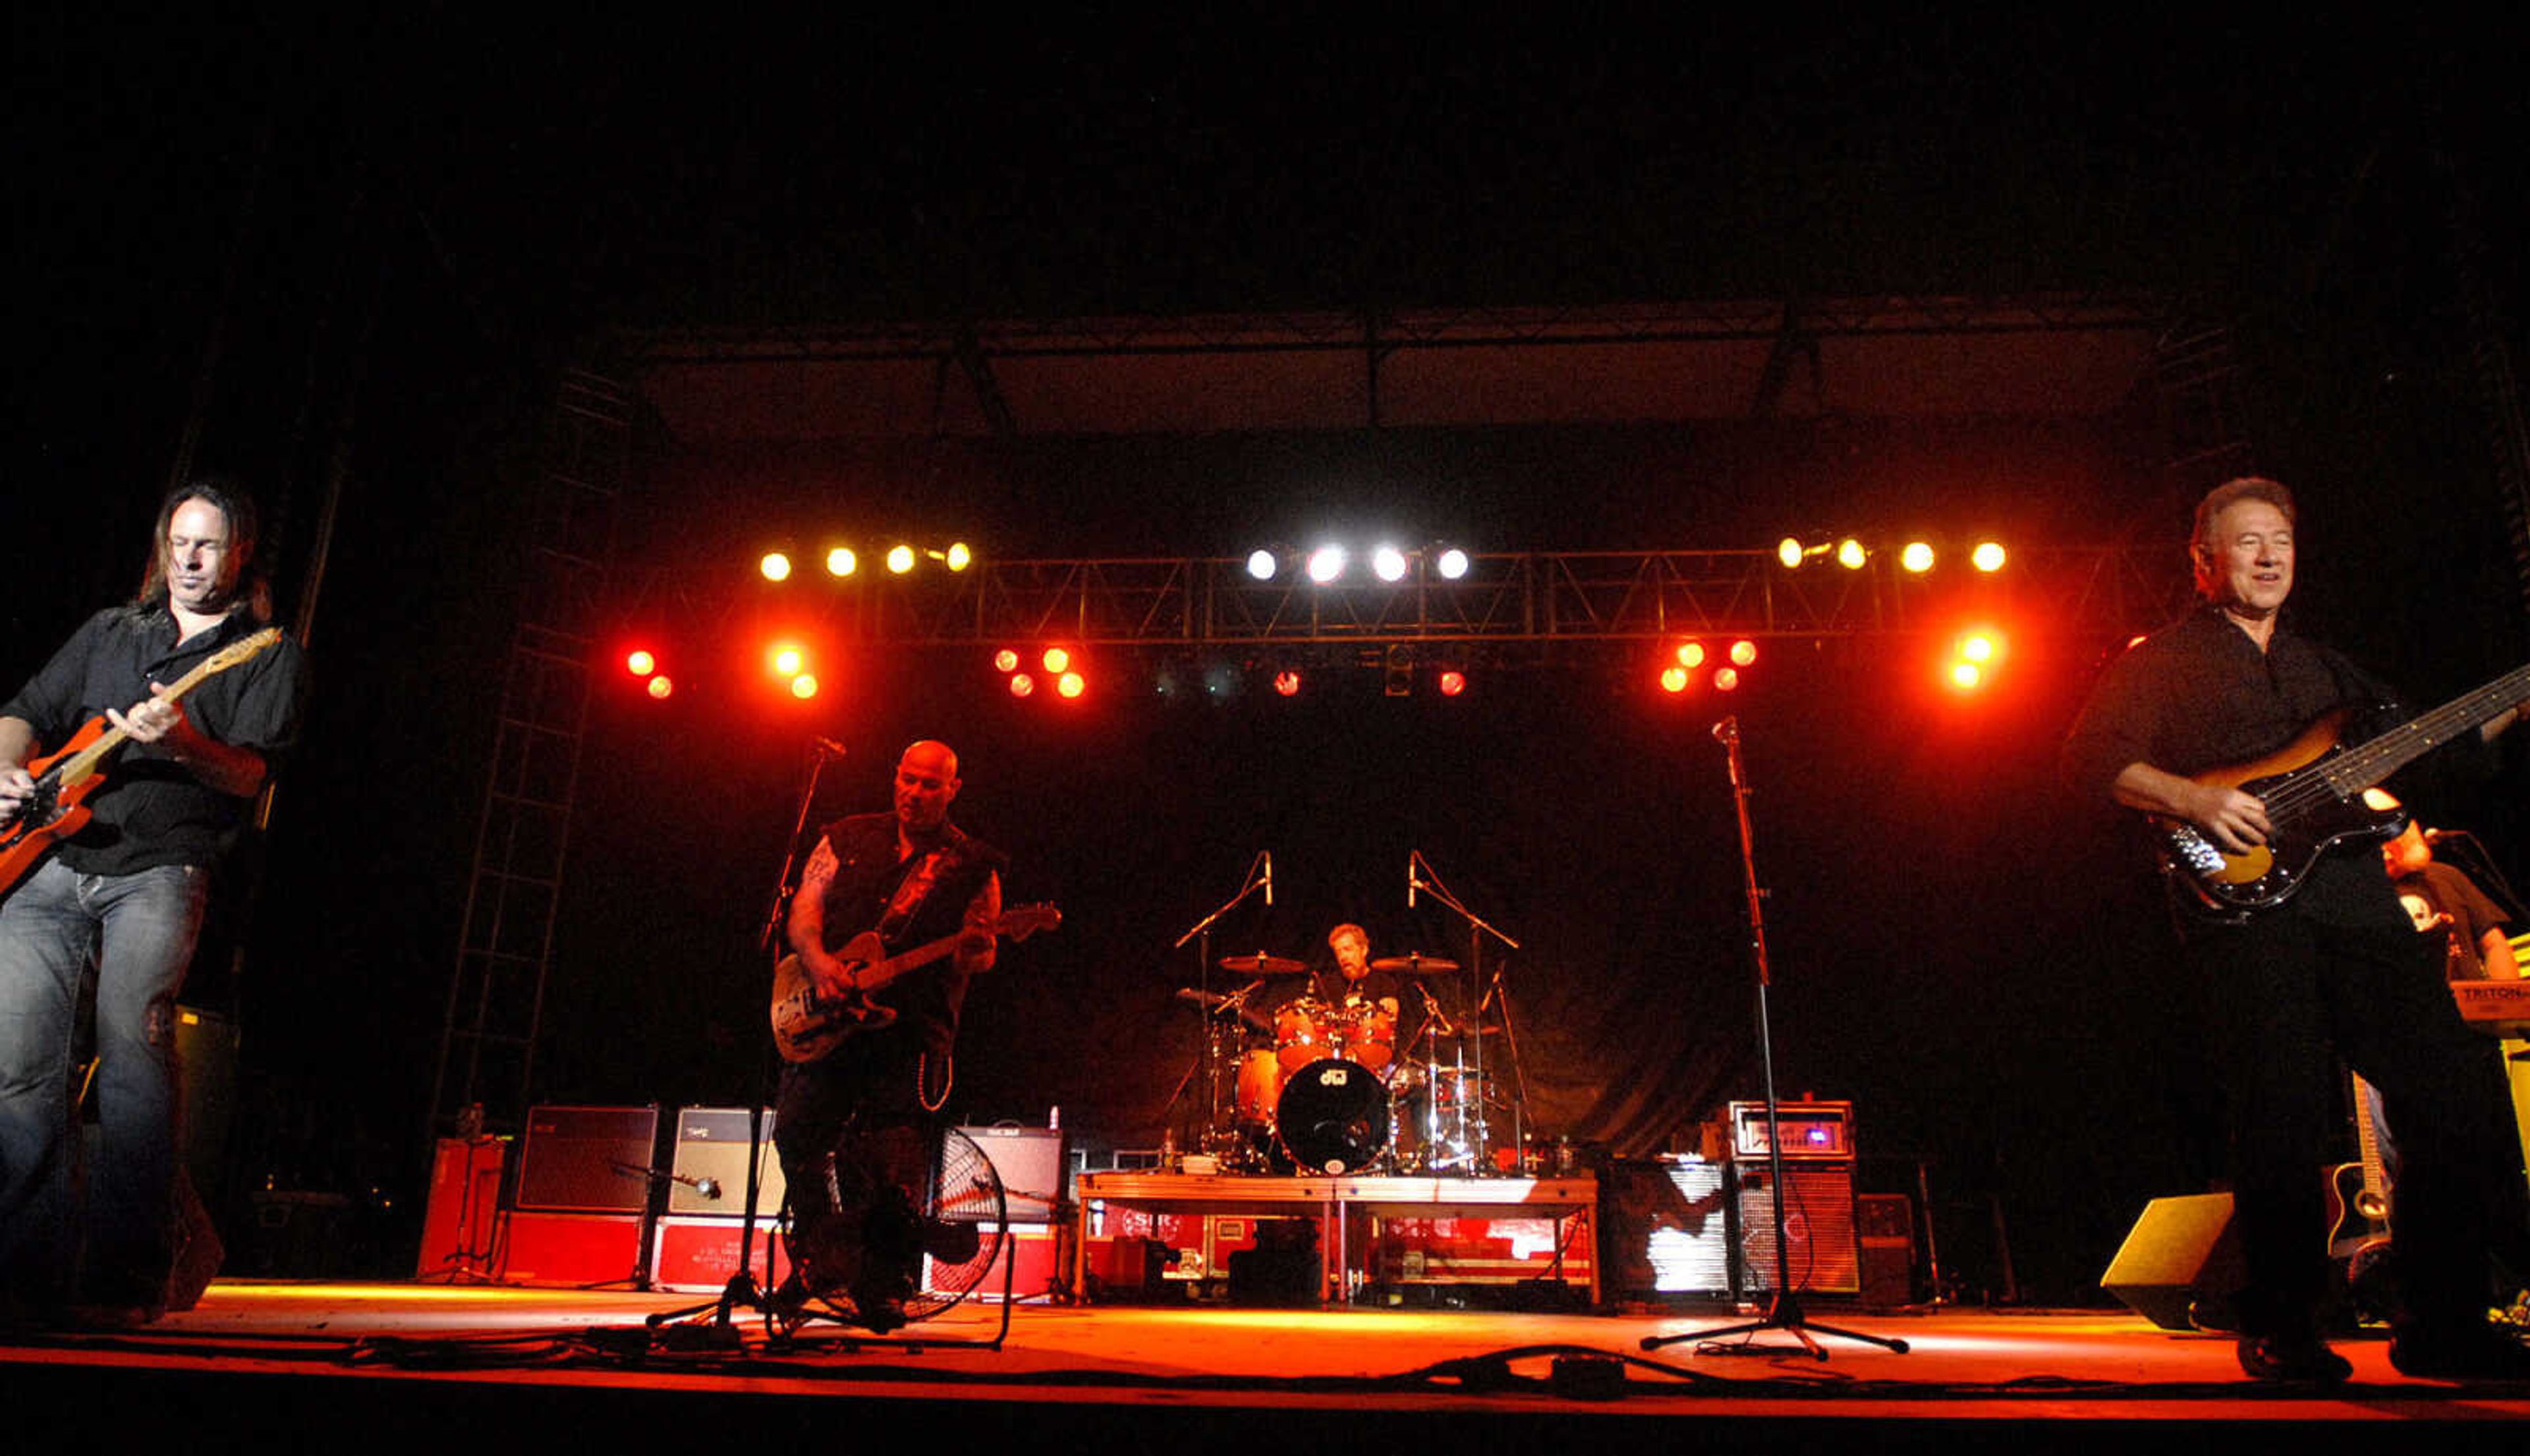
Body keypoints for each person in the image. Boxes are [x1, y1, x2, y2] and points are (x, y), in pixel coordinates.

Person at [2063, 476, 2530, 1382]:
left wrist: (2506, 709)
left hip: (2355, 897)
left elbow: (2435, 759)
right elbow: (2089, 756)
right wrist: (2196, 798)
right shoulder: (2162, 660)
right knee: (2279, 1109)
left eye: (2280, 539)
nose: (2270, 555)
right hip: (2242, 910)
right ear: (2203, 564)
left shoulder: (2332, 670)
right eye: (2247, 542)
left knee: (2450, 1087)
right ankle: (2282, 1324)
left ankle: (2443, 1319)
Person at [0, 481, 308, 1326]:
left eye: (208, 545)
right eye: (179, 542)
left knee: (134, 1056)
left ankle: (128, 1279)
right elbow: (23, 712)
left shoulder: (264, 650)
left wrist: (184, 743)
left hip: (161, 870)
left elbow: (251, 774)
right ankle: (28, 1277)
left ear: (241, 551)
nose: (190, 560)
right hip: (50, 862)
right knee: (19, 1067)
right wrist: (6, 767)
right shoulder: (112, 630)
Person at [772, 739, 1003, 1331]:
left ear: (954, 789)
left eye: (931, 784)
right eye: (909, 779)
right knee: (798, 1135)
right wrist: (821, 965)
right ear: (894, 776)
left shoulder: (972, 863)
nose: (916, 793)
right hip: (827, 1019)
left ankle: (883, 1286)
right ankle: (822, 1260)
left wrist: (977, 953)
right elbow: (805, 909)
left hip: (909, 1034)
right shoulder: (846, 836)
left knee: (887, 1168)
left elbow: (982, 954)